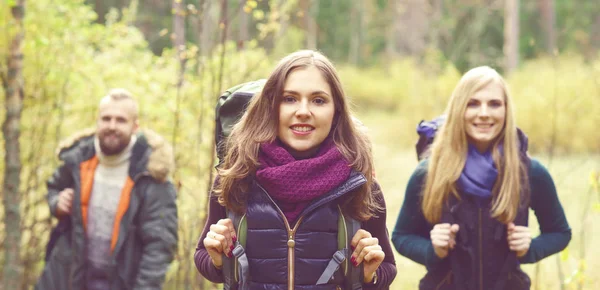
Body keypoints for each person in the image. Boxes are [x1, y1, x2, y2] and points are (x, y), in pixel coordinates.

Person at [194, 50, 397, 289]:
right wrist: (217, 259)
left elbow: (387, 269)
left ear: (337, 111)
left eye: (318, 100)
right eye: (289, 98)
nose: (303, 111)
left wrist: (369, 274)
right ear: (271, 106)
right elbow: (203, 257)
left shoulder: (359, 184)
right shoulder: (236, 175)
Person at [392, 66, 571, 290]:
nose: (484, 113)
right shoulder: (429, 173)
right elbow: (401, 236)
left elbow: (560, 232)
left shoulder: (529, 173)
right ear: (458, 109)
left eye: (494, 104)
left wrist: (529, 249)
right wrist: (432, 250)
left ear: (506, 110)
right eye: (473, 103)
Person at [35, 89, 178, 290]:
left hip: (122, 282)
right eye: (106, 118)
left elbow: (159, 247)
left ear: (135, 126)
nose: (112, 126)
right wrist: (56, 203)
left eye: (121, 120)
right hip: (66, 277)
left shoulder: (152, 175)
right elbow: (53, 188)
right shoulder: (78, 158)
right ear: (97, 121)